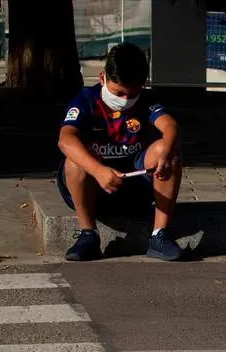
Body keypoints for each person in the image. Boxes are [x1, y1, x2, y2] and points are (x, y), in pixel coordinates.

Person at [57, 43, 183, 262]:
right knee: (76, 159)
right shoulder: (86, 99)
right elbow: (65, 139)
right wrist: (98, 170)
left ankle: (159, 235)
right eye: (119, 93)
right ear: (102, 78)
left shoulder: (146, 101)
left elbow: (170, 126)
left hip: (135, 186)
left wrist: (166, 154)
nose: (124, 100)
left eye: (132, 94)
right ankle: (88, 234)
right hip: (94, 188)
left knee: (167, 150)